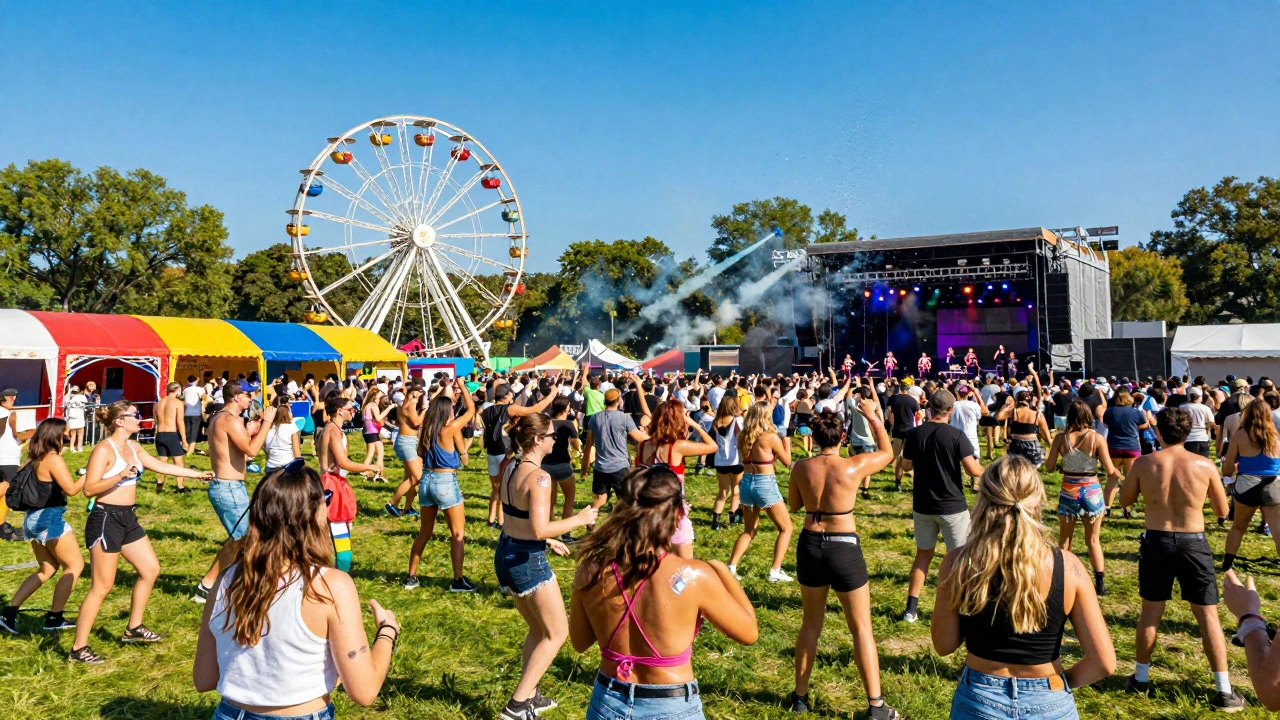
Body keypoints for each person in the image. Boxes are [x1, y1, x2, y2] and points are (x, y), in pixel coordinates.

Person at [193, 463, 399, 718]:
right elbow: (364, 690)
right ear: (313, 514)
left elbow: (204, 679)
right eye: (327, 499)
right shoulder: (331, 585)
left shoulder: (225, 581)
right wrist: (387, 630)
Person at [931, 456, 1116, 720]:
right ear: (1037, 501)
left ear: (983, 501)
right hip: (1050, 699)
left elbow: (944, 644)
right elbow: (1104, 662)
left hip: (979, 698)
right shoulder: (1068, 566)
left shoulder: (959, 563)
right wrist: (1055, 688)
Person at [569, 466, 759, 720]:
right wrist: (722, 571)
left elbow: (580, 642)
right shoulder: (694, 576)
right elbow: (749, 632)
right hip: (671, 705)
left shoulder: (590, 569)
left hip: (608, 701)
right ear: (677, 514)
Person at [1117, 407, 1243, 710]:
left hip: (1157, 540)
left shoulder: (1143, 463)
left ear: (1158, 431)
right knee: (1207, 616)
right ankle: (1223, 690)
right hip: (1193, 542)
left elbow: (1125, 501)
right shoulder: (1203, 464)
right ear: (1188, 433)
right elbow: (1223, 511)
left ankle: (1141, 679)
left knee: (1151, 612)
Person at [69, 401, 213, 663]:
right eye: (135, 416)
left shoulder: (134, 447)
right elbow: (89, 489)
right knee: (102, 586)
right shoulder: (103, 450)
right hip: (105, 519)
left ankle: (133, 628)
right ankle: (78, 648)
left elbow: (161, 466)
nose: (140, 419)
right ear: (119, 421)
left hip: (128, 519)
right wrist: (121, 475)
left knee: (150, 569)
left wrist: (195, 474)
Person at [786, 406, 900, 718]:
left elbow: (795, 505)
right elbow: (887, 452)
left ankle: (799, 697)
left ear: (815, 436)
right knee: (862, 628)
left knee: (810, 624)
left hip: (810, 543)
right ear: (843, 437)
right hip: (843, 547)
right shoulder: (854, 465)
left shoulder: (800, 467)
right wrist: (874, 418)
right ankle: (876, 705)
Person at [493, 414, 600, 719]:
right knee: (556, 633)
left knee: (538, 630)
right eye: (552, 435)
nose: (556, 439)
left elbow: (516, 515)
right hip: (527, 559)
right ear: (538, 440)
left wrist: (548, 540)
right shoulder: (540, 478)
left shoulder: (510, 464)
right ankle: (516, 706)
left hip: (507, 550)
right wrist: (579, 520)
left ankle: (531, 695)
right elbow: (540, 528)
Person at [899, 389, 984, 623]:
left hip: (923, 505)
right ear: (951, 410)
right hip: (952, 506)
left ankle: (911, 608)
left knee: (923, 555)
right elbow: (973, 470)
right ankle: (963, 607)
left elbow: (906, 466)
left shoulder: (914, 434)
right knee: (960, 558)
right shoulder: (956, 435)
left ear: (929, 408)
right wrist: (998, 471)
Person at [191, 382, 279, 603]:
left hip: (229, 486)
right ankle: (249, 588)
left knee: (239, 540)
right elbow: (251, 449)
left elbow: (238, 445)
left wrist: (253, 426)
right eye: (248, 395)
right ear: (235, 398)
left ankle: (208, 587)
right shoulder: (230, 420)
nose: (251, 399)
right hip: (228, 487)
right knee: (249, 539)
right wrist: (267, 422)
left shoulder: (220, 418)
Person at [0, 418, 85, 634]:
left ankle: (8, 613)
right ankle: (54, 617)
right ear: (55, 435)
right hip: (49, 519)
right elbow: (72, 490)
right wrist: (88, 474)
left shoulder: (35, 457)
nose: (67, 437)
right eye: (64, 433)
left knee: (47, 569)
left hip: (33, 519)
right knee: (74, 567)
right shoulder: (53, 459)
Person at [1045, 400, 1122, 597]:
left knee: (1065, 540)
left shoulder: (1061, 439)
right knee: (1093, 540)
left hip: (1069, 490)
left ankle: (1063, 580)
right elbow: (1109, 469)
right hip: (1092, 491)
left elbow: (1049, 466)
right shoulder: (1097, 439)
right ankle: (1100, 583)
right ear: (1088, 416)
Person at [406, 378, 477, 592]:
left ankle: (411, 577)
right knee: (457, 533)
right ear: (447, 412)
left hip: (426, 480)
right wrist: (462, 386)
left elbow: (419, 453)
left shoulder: (426, 430)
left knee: (424, 532)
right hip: (445, 481)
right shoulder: (450, 428)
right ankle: (457, 580)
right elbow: (471, 409)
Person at [634, 400, 717, 559]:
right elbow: (712, 446)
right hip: (673, 514)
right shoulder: (678, 446)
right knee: (685, 569)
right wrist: (696, 425)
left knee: (655, 569)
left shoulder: (642, 446)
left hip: (648, 515)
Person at [727, 401, 794, 581]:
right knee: (786, 528)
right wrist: (787, 441)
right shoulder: (770, 437)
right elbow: (787, 461)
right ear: (766, 416)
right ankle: (775, 570)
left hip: (746, 483)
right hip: (765, 483)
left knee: (749, 530)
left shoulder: (743, 436)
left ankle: (731, 566)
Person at [318, 396, 381, 573]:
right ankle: (340, 576)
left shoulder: (330, 428)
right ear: (340, 411)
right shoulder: (333, 430)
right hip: (332, 483)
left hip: (331, 481)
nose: (353, 411)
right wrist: (369, 466)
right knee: (340, 534)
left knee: (332, 533)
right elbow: (342, 462)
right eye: (350, 408)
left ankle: (332, 572)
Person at [481, 382, 555, 528]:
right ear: (506, 395)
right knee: (503, 489)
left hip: (491, 453)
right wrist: (552, 394)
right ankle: (502, 521)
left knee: (495, 488)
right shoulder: (509, 409)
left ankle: (491, 520)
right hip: (505, 453)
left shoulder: (486, 411)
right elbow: (536, 409)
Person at [1221, 399, 1280, 570]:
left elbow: (1229, 463)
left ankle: (1227, 564)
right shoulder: (1276, 436)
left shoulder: (1240, 435)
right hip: (1273, 484)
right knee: (1277, 530)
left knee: (1238, 527)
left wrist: (1227, 478)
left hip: (1246, 483)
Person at [584, 385, 649, 527]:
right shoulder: (624, 418)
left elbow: (588, 444)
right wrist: (648, 433)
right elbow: (638, 438)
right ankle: (622, 527)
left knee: (599, 499)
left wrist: (584, 469)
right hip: (620, 466)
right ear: (619, 401)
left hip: (601, 466)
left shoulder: (594, 418)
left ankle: (591, 524)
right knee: (625, 500)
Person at [542, 394, 582, 536]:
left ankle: (550, 528)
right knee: (569, 498)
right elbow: (575, 442)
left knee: (549, 501)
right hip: (563, 464)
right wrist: (580, 451)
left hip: (545, 464)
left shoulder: (546, 423)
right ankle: (565, 531)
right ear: (566, 408)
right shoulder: (568, 424)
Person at [1, 387, 36, 542]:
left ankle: (2, 525)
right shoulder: (11, 415)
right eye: (12, 398)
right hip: (8, 458)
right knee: (5, 491)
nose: (14, 400)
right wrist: (35, 432)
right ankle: (2, 527)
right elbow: (19, 436)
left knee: (4, 493)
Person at [387, 383, 425, 518]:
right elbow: (417, 423)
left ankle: (407, 508)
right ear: (414, 395)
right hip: (407, 442)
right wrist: (424, 410)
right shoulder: (410, 406)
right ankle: (392, 502)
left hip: (407, 441)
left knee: (410, 477)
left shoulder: (403, 405)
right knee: (416, 477)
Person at [710, 392, 745, 530]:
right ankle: (732, 518)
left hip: (720, 461)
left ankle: (715, 522)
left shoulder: (715, 421)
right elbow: (742, 437)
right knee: (736, 491)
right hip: (735, 460)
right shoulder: (737, 420)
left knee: (722, 492)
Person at [152, 382, 191, 493]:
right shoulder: (177, 403)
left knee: (161, 463)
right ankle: (181, 487)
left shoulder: (158, 403)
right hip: (171, 434)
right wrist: (184, 440)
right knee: (178, 463)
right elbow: (180, 422)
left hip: (160, 434)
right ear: (178, 391)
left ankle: (159, 487)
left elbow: (156, 420)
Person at [887, 383, 921, 491]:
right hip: (910, 430)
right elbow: (918, 414)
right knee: (913, 457)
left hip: (898, 430)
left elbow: (889, 413)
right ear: (908, 389)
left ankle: (897, 483)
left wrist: (892, 424)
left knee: (897, 457)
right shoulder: (912, 400)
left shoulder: (893, 398)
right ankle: (917, 483)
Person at [359, 387, 391, 480]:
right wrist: (389, 408)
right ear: (375, 395)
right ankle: (375, 472)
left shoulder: (366, 405)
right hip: (372, 432)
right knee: (380, 454)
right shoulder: (373, 405)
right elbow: (378, 418)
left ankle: (368, 470)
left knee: (371, 453)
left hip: (367, 432)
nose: (382, 393)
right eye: (380, 392)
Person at [263, 400, 301, 473]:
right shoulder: (292, 428)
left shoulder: (269, 429)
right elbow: (296, 450)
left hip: (271, 466)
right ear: (287, 414)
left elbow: (266, 448)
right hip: (288, 466)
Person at [1183, 386, 1216, 458]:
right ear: (1200, 397)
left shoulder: (1182, 408)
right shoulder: (1205, 408)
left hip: (1187, 439)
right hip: (1202, 438)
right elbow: (1212, 424)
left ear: (1189, 396)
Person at [182, 375, 206, 455]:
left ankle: (186, 447)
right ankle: (190, 451)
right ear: (196, 381)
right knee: (194, 432)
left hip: (187, 413)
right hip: (196, 413)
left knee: (187, 431)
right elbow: (204, 397)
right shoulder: (199, 389)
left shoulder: (185, 390)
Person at [63, 385, 88, 453]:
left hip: (72, 417)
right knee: (80, 433)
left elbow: (64, 406)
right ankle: (79, 448)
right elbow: (86, 404)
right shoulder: (81, 397)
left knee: (73, 434)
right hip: (78, 417)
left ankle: (72, 447)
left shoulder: (66, 397)